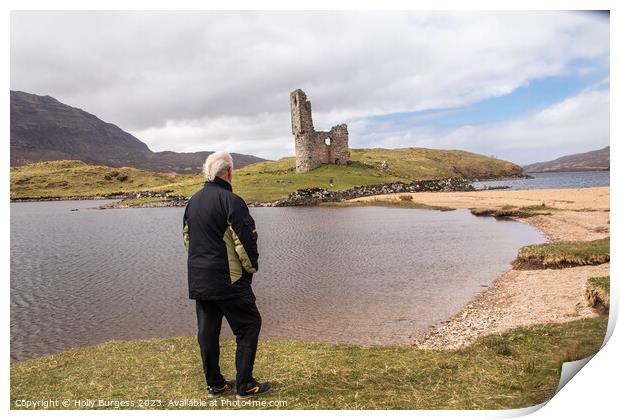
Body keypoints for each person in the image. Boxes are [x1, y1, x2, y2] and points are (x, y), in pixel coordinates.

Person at [182, 151, 272, 399]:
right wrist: (250, 272)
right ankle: (245, 386)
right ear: (229, 172)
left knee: (208, 331)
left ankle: (216, 385)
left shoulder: (193, 202)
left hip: (200, 280)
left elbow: (188, 240)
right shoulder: (232, 201)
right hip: (230, 280)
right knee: (249, 325)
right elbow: (245, 243)